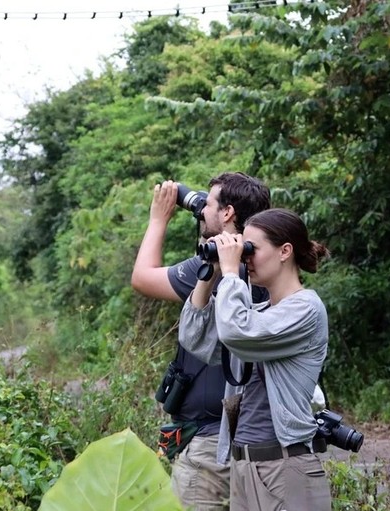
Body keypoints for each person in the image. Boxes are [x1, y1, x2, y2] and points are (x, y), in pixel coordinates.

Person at [131, 173, 271, 511]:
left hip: (211, 443)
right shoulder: (265, 265)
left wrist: (158, 220)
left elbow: (141, 277)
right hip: (245, 435)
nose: (201, 210)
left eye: (207, 204)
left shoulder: (214, 265)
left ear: (227, 214)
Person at [178, 208, 332, 511]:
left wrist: (233, 272)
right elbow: (195, 339)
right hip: (245, 466)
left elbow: (238, 332)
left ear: (285, 251)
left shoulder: (306, 309)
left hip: (285, 467)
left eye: (252, 249)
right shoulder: (260, 315)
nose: (245, 257)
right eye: (243, 249)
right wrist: (211, 273)